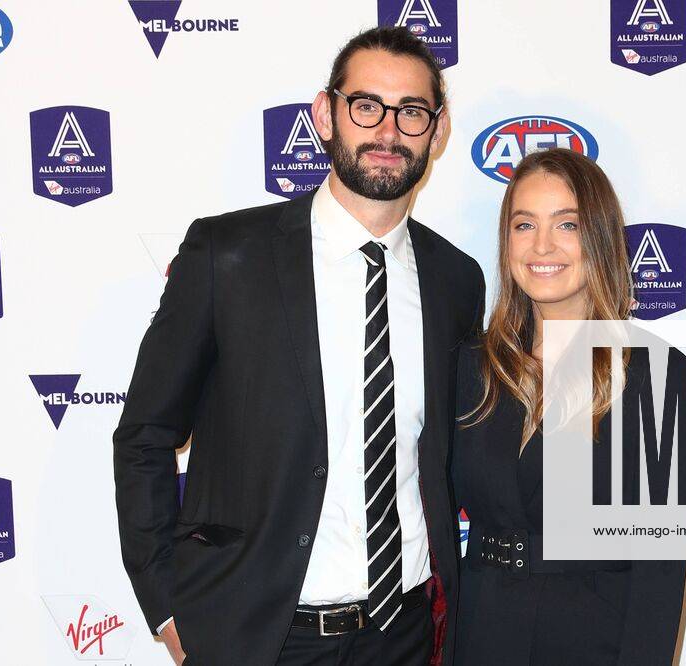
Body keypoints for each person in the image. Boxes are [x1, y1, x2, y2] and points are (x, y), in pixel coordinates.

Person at [113, 26, 484, 666]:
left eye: (412, 112)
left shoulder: (456, 280)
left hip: (403, 634)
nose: (388, 133)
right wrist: (168, 607)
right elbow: (144, 435)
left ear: (438, 130)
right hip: (259, 637)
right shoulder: (226, 255)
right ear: (325, 114)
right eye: (366, 106)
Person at [451, 148, 686, 665]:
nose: (541, 245)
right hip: (481, 634)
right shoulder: (472, 366)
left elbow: (660, 565)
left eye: (567, 224)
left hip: (594, 639)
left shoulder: (653, 369)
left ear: (599, 238)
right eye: (523, 225)